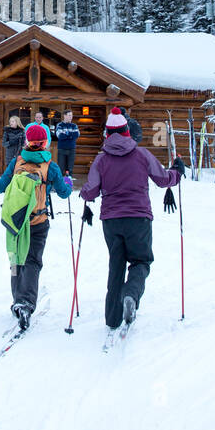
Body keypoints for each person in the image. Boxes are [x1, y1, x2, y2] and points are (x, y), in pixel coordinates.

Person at [79, 108, 184, 331]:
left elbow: (91, 191)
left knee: (116, 265)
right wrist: (177, 171)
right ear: (127, 131)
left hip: (111, 220)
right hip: (139, 218)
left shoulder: (101, 160)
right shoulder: (142, 154)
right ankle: (131, 295)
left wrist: (83, 193)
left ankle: (113, 318)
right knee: (141, 261)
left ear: (107, 133)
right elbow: (164, 179)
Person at [0, 121, 73, 330]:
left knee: (16, 260)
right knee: (33, 261)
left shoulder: (17, 163)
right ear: (45, 143)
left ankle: (17, 299)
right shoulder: (50, 166)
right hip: (38, 221)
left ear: (27, 142)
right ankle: (25, 303)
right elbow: (63, 192)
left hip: (15, 221)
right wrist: (68, 183)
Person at [54, 109, 80, 179]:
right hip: (62, 149)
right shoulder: (60, 125)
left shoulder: (74, 125)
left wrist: (66, 134)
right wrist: (71, 135)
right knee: (61, 167)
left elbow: (77, 134)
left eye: (71, 115)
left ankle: (69, 182)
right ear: (64, 116)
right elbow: (60, 136)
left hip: (72, 149)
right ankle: (60, 182)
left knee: (70, 167)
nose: (71, 117)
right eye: (69, 115)